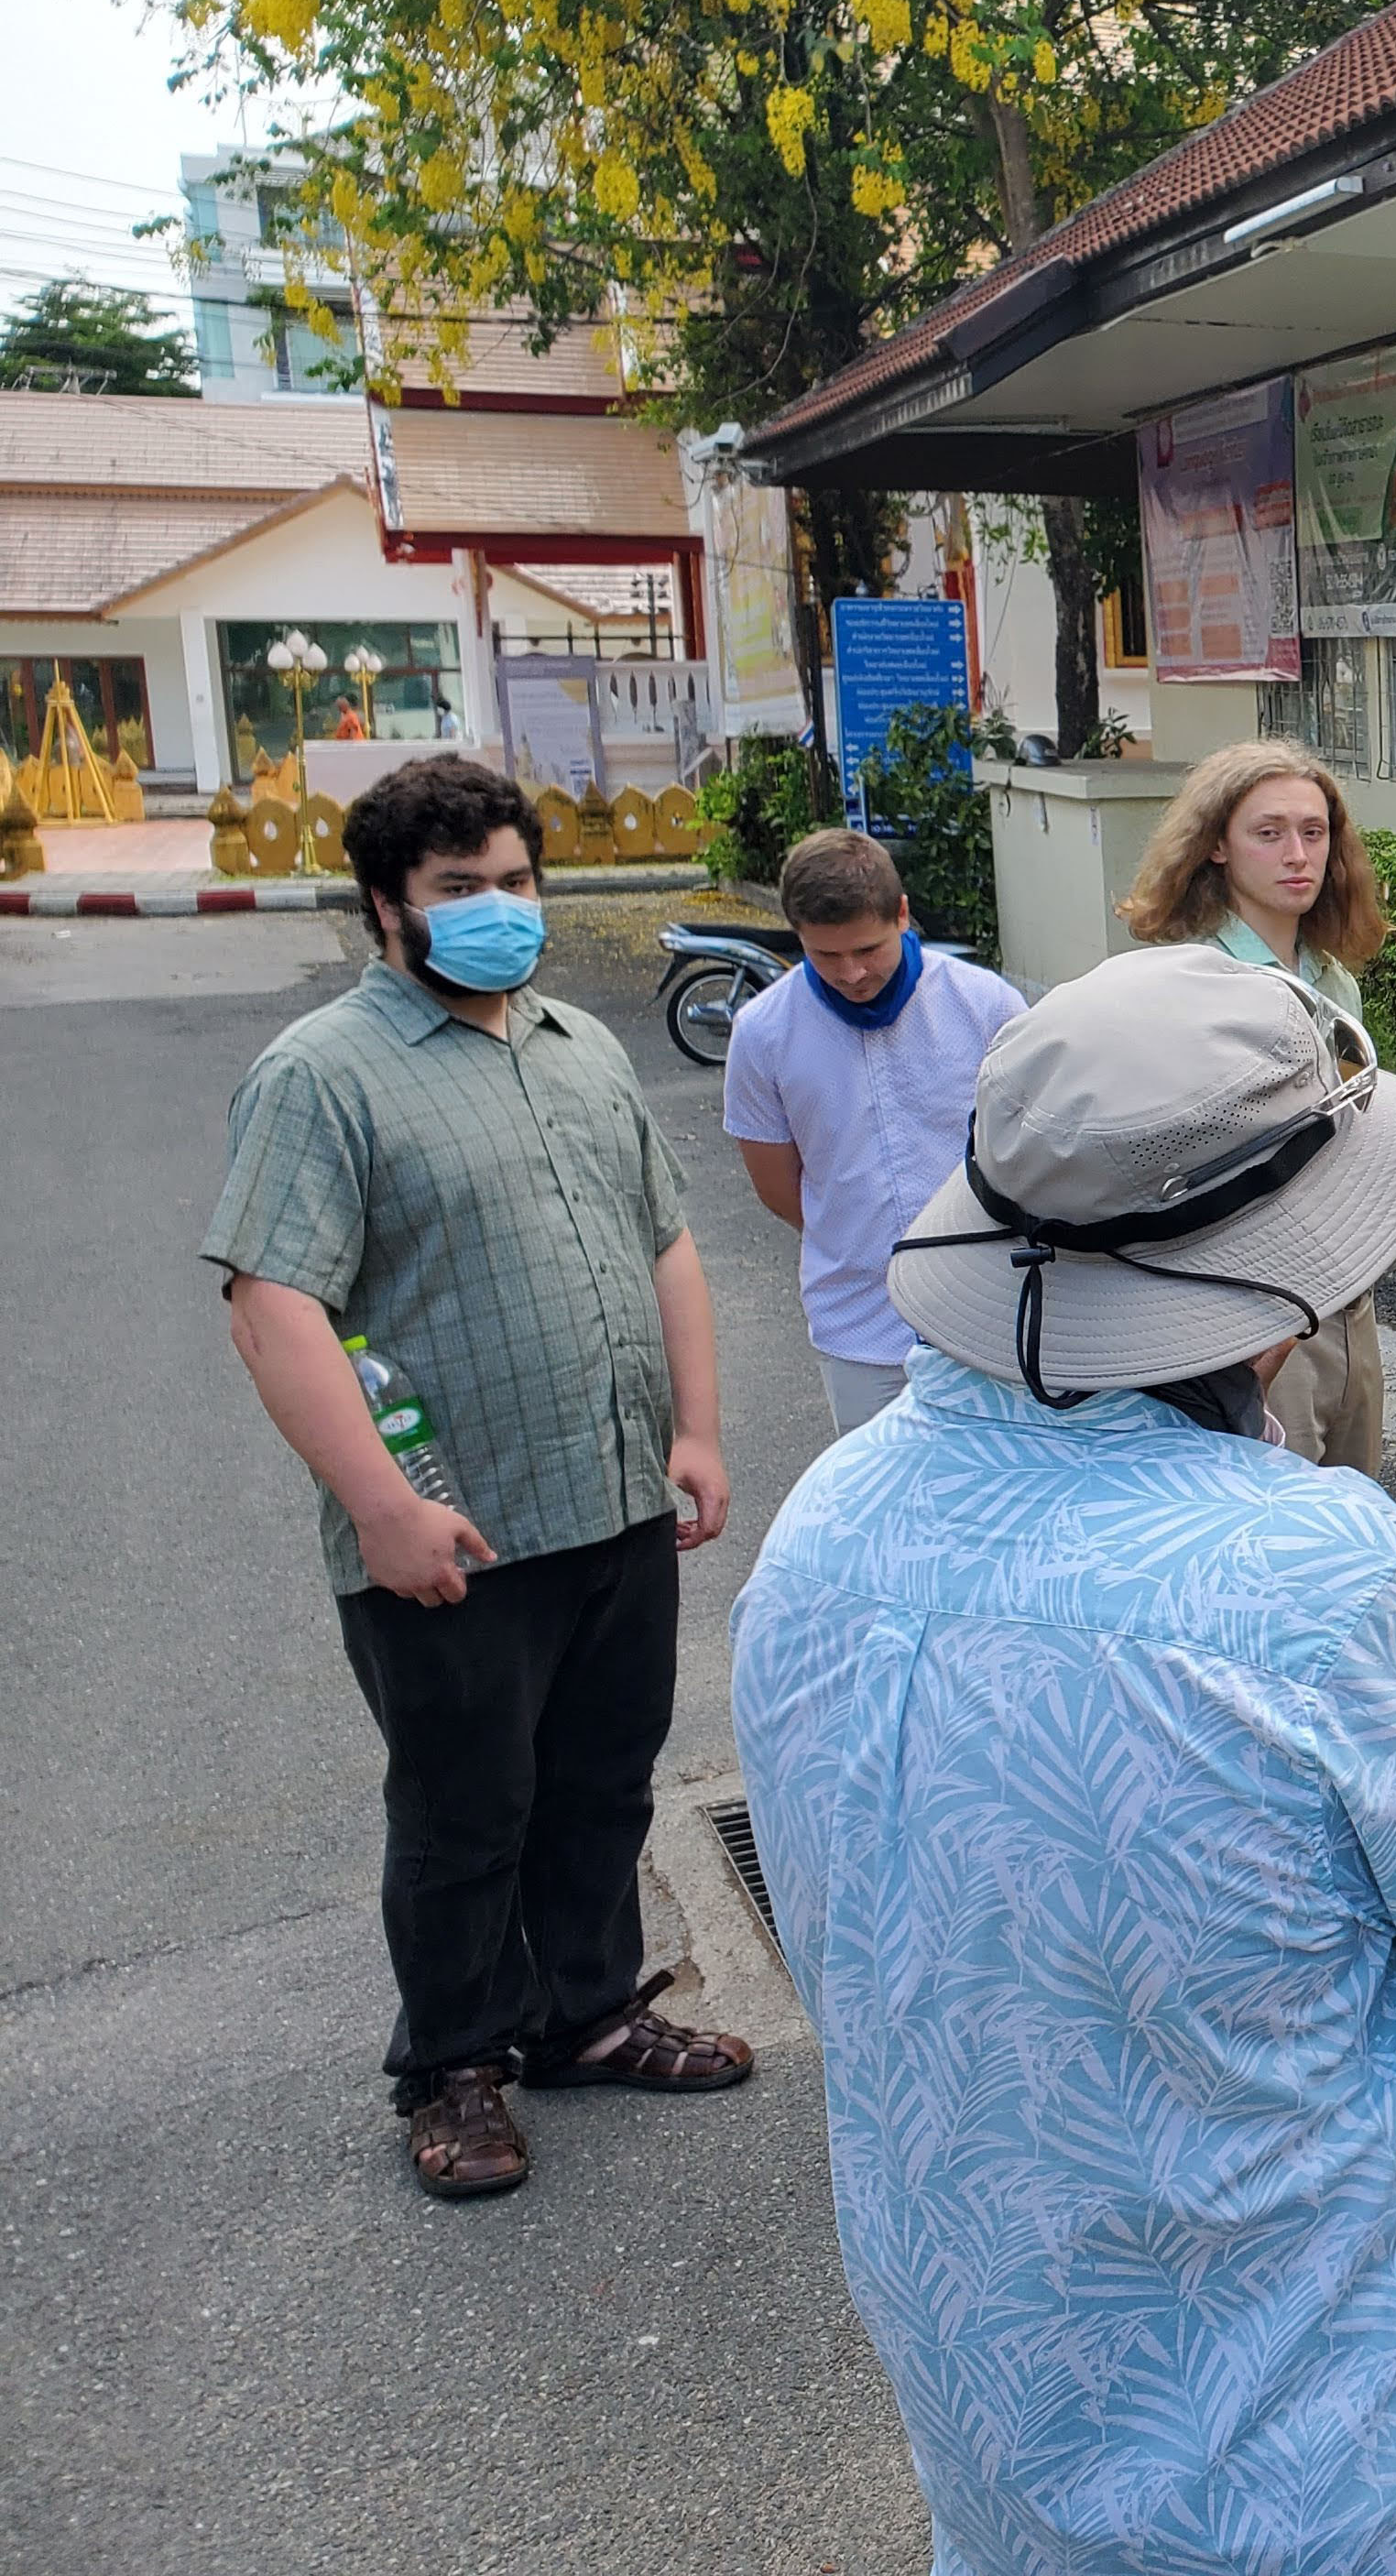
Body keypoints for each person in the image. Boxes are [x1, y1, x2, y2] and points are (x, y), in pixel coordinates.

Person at [733, 944, 1396, 2576]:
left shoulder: (825, 1527)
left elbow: (872, 1944)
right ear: (1270, 1276)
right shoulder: (1313, 1572)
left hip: (1002, 2436)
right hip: (1338, 2472)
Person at [202, 755, 747, 2204]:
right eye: (459, 892)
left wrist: (694, 1432)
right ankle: (454, 2066)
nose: (497, 910)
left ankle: (588, 2012)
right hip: (455, 1526)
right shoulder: (321, 1075)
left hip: (616, 1498)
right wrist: (381, 1504)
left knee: (599, 1784)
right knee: (463, 1812)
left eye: (513, 883)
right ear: (389, 908)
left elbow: (666, 1245)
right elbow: (274, 1300)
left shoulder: (577, 1043)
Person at [1121, 741, 1393, 1474]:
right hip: (1251, 1300)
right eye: (1268, 833)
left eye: (1313, 831)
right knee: (1275, 1526)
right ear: (1215, 845)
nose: (1297, 854)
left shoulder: (1333, 979)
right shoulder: (1191, 984)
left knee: (1352, 1510)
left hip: (1346, 1288)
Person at [722, 827, 1024, 1435]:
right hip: (858, 1323)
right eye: (826, 956)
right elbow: (779, 1186)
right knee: (881, 1518)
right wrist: (854, 1230)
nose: (853, 973)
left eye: (869, 949)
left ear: (903, 914)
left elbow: (1029, 1149)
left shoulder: (985, 1005)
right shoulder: (763, 1033)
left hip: (990, 1312)